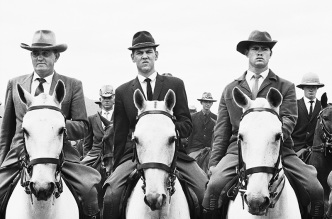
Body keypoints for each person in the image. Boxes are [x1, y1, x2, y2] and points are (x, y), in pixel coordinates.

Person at [202, 30, 324, 219]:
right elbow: (221, 131)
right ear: (247, 54)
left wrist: (268, 138)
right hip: (238, 150)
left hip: (280, 149)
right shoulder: (230, 89)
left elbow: (289, 119)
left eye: (264, 49)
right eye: (255, 48)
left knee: (315, 189)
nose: (260, 52)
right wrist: (214, 163)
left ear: (270, 54)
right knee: (213, 188)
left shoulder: (286, 86)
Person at [102, 31, 208, 219]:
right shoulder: (123, 91)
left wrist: (169, 131)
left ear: (156, 55)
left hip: (173, 153)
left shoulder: (175, 84)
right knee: (111, 195)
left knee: (204, 190)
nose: (144, 56)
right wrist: (117, 167)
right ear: (132, 57)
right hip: (135, 155)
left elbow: (186, 124)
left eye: (149, 52)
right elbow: (120, 134)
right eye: (140, 52)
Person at [0, 30, 101, 218]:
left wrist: (54, 126)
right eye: (35, 53)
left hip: (60, 155)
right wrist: (2, 160)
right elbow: (6, 131)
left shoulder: (72, 85)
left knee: (89, 193)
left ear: (56, 56)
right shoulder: (14, 84)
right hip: (19, 154)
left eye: (45, 53)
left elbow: (83, 127)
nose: (39, 58)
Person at [292, 72, 324, 159]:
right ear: (303, 88)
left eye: (313, 87)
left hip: (316, 152)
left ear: (317, 88)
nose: (311, 90)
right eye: (308, 87)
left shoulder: (323, 107)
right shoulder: (294, 105)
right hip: (295, 151)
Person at [81, 85, 115, 166]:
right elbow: (87, 143)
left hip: (113, 153)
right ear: (100, 99)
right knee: (80, 170)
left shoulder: (120, 117)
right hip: (95, 153)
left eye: (109, 98)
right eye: (104, 98)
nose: (107, 100)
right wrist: (86, 156)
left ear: (113, 100)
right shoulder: (91, 119)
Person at [186, 92, 217, 158]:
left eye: (209, 102)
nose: (207, 104)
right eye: (205, 102)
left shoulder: (216, 118)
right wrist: (188, 151)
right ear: (201, 103)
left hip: (210, 150)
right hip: (195, 149)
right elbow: (190, 135)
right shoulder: (193, 117)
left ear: (212, 104)